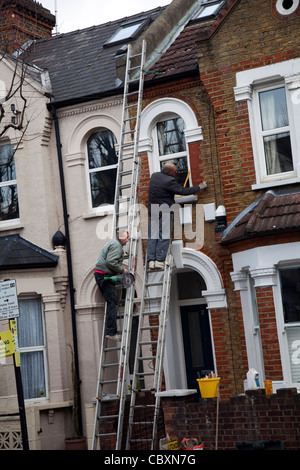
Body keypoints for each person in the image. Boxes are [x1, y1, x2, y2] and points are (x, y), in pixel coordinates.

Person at [147, 162, 207, 269]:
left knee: (153, 236)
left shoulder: (154, 176)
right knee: (164, 235)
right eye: (174, 171)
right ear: (168, 172)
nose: (176, 172)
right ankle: (159, 261)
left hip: (153, 210)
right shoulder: (169, 181)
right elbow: (182, 191)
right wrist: (199, 187)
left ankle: (151, 260)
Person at [94, 230, 129, 341]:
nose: (128, 241)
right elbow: (110, 262)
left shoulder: (113, 243)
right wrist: (122, 270)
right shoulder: (117, 246)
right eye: (127, 238)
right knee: (112, 302)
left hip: (102, 275)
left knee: (111, 301)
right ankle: (111, 332)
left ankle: (110, 330)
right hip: (104, 276)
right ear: (121, 237)